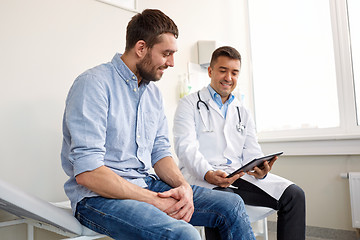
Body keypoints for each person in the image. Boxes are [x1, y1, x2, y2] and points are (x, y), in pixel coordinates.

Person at [61, 9, 255, 240]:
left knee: (231, 205)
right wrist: (153, 201)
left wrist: (183, 186)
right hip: (97, 198)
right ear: (141, 48)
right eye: (166, 54)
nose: (172, 63)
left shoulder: (152, 94)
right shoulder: (93, 85)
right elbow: (88, 174)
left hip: (145, 183)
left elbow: (160, 153)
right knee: (185, 234)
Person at [173, 46, 306, 240]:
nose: (228, 77)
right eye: (223, 70)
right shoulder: (189, 104)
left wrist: (261, 169)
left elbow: (252, 151)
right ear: (210, 71)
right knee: (223, 203)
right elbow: (186, 148)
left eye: (234, 72)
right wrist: (208, 174)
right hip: (201, 178)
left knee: (294, 195)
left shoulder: (242, 111)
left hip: (237, 176)